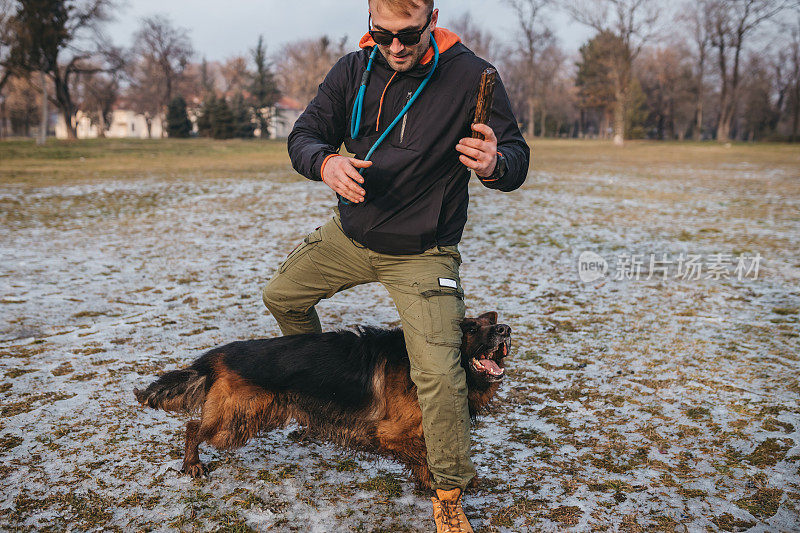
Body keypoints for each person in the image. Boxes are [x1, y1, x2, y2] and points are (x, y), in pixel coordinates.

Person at [262, 0, 529, 530]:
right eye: (382, 34)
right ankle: (317, 400)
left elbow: (516, 158)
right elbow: (303, 137)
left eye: (408, 34)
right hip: (351, 234)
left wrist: (496, 164)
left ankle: (449, 491)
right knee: (282, 297)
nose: (396, 47)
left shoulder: (474, 76)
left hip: (424, 252)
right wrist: (326, 161)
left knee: (438, 375)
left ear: (433, 17)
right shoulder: (352, 69)